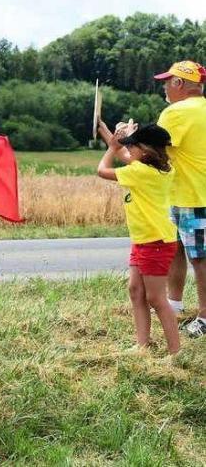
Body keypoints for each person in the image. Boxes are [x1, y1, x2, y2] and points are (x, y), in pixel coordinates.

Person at [97, 122, 180, 355]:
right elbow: (125, 153)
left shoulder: (141, 172)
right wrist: (106, 132)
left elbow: (102, 170)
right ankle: (142, 345)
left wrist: (110, 149)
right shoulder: (160, 168)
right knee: (136, 290)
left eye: (133, 145)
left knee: (156, 298)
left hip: (155, 242)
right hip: (146, 239)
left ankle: (175, 352)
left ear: (145, 150)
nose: (128, 149)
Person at [152, 60, 206, 338]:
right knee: (178, 250)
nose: (164, 86)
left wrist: (123, 141)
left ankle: (205, 318)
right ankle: (173, 304)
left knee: (200, 259)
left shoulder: (176, 111)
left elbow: (155, 149)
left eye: (167, 81)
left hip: (190, 196)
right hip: (188, 193)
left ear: (180, 84)